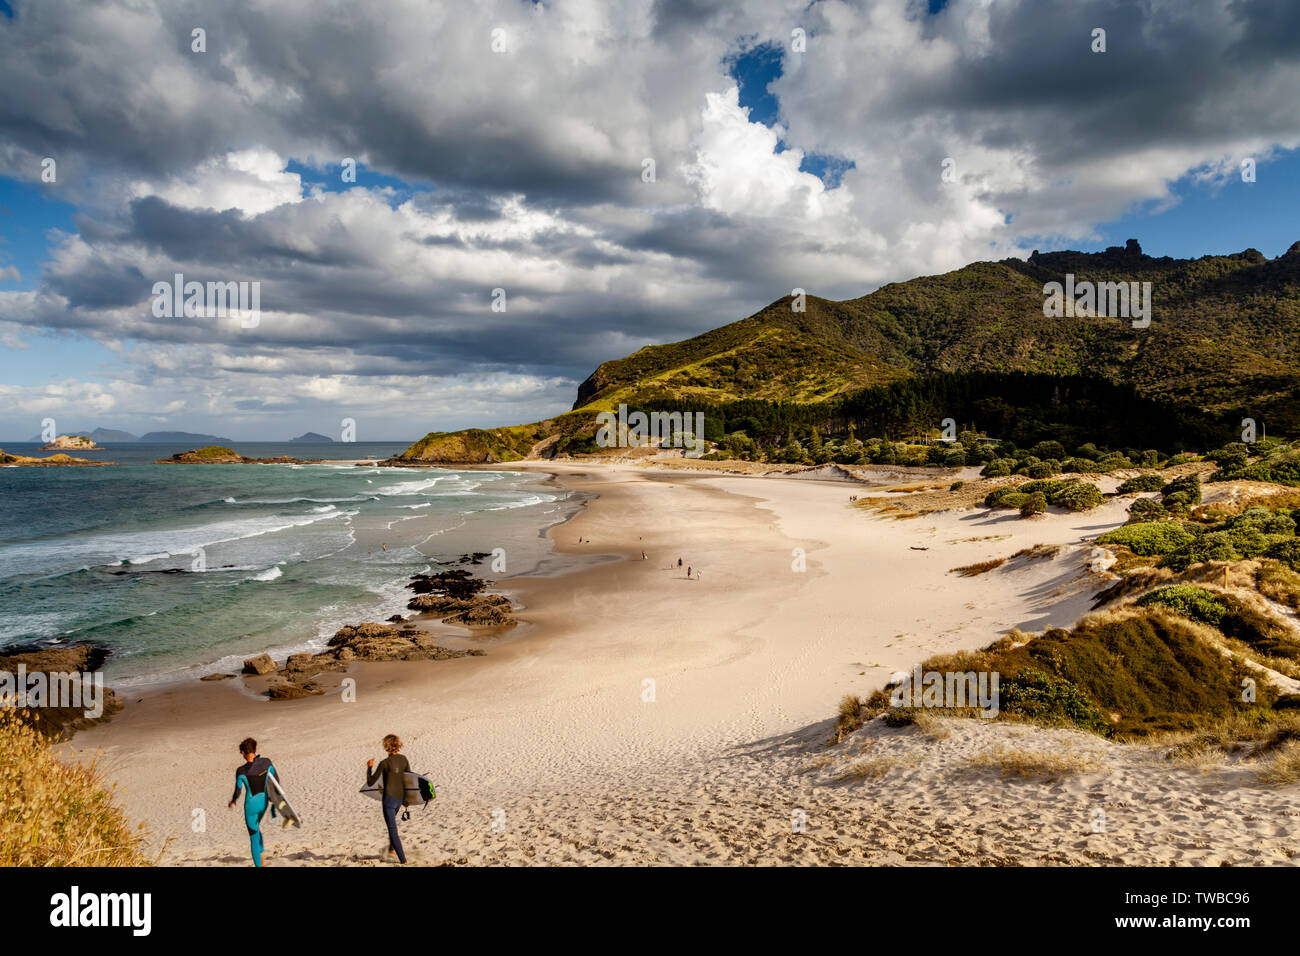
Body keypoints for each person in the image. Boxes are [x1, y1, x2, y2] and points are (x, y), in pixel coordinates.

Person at [228, 737, 279, 867]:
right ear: (255, 749)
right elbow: (275, 781)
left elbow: (238, 791)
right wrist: (273, 799)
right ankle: (263, 861)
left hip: (250, 807)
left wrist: (233, 801)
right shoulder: (267, 763)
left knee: (253, 836)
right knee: (257, 828)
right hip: (264, 803)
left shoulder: (241, 771)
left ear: (242, 753)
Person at [366, 734, 411, 864]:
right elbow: (408, 780)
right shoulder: (404, 759)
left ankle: (403, 861)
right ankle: (391, 849)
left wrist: (369, 767)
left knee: (393, 831)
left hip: (389, 800)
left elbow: (370, 782)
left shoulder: (384, 763)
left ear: (386, 746)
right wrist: (406, 800)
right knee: (392, 827)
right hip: (399, 798)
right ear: (398, 744)